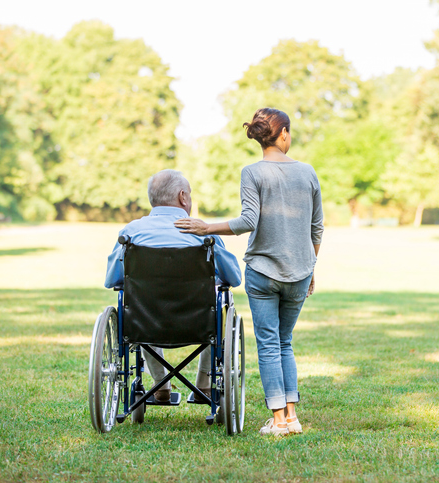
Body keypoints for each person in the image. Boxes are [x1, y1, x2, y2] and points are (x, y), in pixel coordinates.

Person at [175, 107, 323, 436]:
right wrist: (311, 267)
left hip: (263, 272)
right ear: (283, 133)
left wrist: (206, 227)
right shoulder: (308, 172)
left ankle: (279, 420)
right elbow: (316, 229)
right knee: (285, 342)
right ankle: (292, 416)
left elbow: (247, 222)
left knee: (269, 344)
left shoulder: (252, 173)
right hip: (300, 271)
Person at [105, 169, 242, 403]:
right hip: (198, 323)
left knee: (141, 305)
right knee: (217, 307)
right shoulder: (203, 235)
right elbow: (235, 279)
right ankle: (205, 386)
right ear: (182, 197)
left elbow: (112, 281)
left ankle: (161, 387)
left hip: (145, 324)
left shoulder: (131, 233)